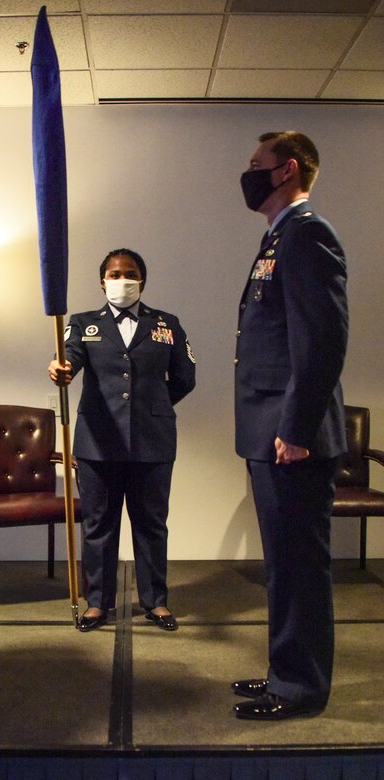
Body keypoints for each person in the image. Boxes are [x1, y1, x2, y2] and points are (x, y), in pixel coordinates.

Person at [232, 131, 348, 720]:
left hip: (291, 438)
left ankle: (301, 689)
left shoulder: (307, 235)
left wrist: (297, 428)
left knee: (300, 565)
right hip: (271, 430)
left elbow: (322, 341)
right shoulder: (279, 237)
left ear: (288, 171)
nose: (247, 173)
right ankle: (285, 671)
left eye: (257, 165)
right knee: (282, 565)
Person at [48, 249, 196, 632]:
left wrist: (152, 406)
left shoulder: (167, 323)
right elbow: (69, 359)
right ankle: (98, 602)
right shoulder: (83, 323)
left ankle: (156, 601)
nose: (122, 280)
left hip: (153, 440)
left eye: (129, 273)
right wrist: (60, 368)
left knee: (151, 524)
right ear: (102, 281)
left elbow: (185, 377)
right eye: (114, 274)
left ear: (142, 280)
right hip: (98, 442)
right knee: (99, 525)